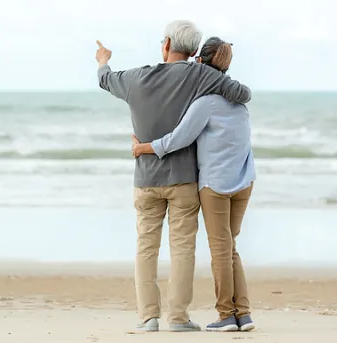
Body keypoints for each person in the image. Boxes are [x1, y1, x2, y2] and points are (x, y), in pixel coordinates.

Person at [95, 20, 251, 332]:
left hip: (146, 179)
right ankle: (178, 318)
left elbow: (105, 80)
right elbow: (241, 93)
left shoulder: (136, 78)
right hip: (183, 180)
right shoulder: (200, 74)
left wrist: (103, 60)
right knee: (182, 248)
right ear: (193, 51)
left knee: (146, 247)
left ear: (166, 44)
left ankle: (148, 317)